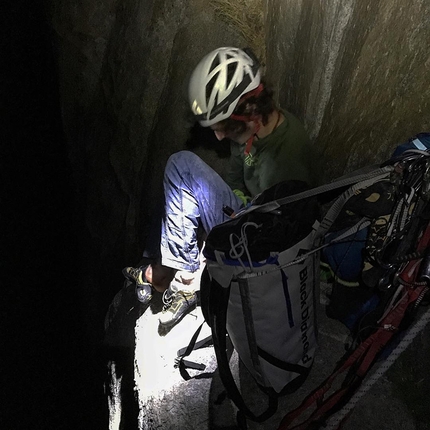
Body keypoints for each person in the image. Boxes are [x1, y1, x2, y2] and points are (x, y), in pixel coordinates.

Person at [123, 46, 314, 329]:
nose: (218, 134)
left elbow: (286, 234)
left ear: (248, 112)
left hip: (263, 243)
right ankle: (173, 265)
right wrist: (226, 213)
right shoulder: (252, 132)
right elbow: (236, 183)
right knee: (178, 195)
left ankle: (182, 280)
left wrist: (223, 240)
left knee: (181, 166)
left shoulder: (286, 160)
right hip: (250, 217)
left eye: (223, 125)